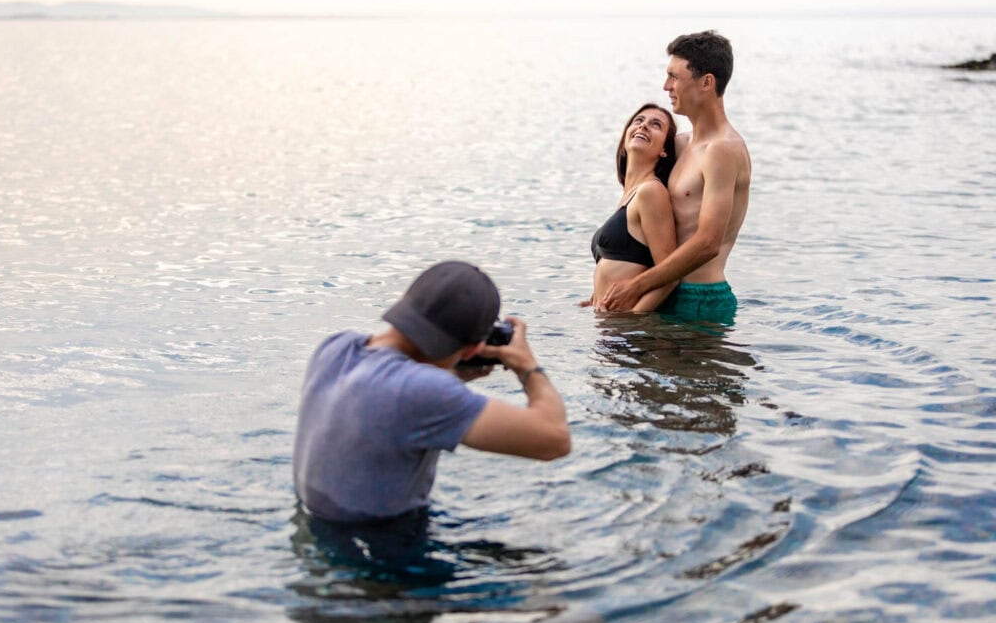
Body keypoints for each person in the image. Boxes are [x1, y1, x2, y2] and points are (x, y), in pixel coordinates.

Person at [293, 260, 570, 525]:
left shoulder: (335, 347)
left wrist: (453, 374)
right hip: (381, 549)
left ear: (403, 300)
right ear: (474, 348)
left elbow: (394, 394)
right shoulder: (425, 392)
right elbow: (555, 440)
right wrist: (527, 367)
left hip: (313, 525)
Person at [601, 30, 751, 324]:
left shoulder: (723, 150)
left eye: (674, 76)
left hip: (699, 298)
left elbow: (708, 243)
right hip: (662, 295)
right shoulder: (682, 145)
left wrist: (635, 286)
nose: (666, 86)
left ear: (706, 82)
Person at [585, 102, 679, 312]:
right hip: (611, 328)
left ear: (664, 150)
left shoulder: (651, 192)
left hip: (630, 333)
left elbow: (671, 276)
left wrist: (634, 319)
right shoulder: (629, 196)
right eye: (638, 121)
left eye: (656, 125)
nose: (643, 126)